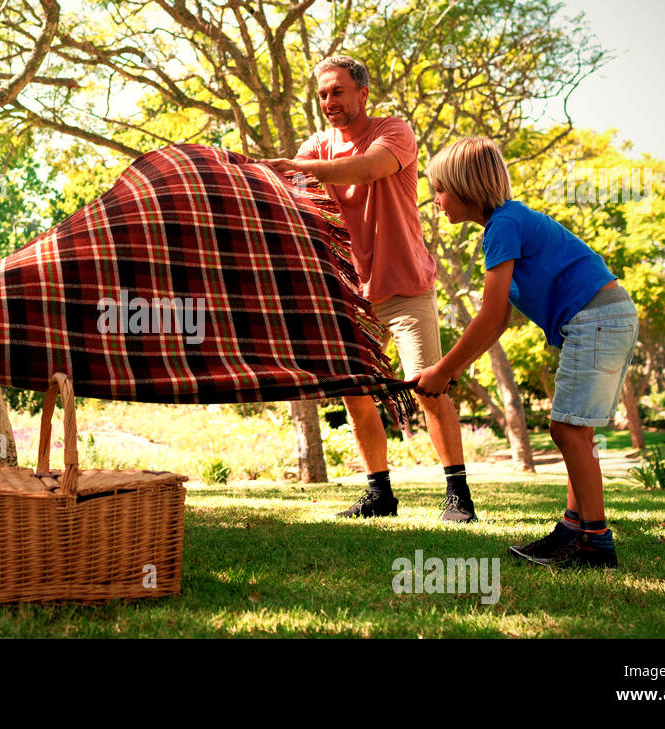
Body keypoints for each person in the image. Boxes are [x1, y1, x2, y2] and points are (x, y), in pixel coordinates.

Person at [264, 56, 476, 522]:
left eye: (337, 91)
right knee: (354, 390)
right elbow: (301, 205)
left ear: (362, 93)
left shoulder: (393, 131)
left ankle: (458, 496)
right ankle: (380, 494)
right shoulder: (314, 147)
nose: (328, 102)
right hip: (347, 293)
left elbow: (369, 168)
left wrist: (303, 168)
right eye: (322, 94)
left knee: (427, 386)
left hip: (403, 286)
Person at [414, 137, 638, 568]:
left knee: (568, 431)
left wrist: (443, 370)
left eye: (439, 189)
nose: (436, 201)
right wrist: (453, 369)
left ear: (465, 186)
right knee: (576, 431)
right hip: (605, 316)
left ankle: (595, 541)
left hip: (597, 318)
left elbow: (491, 312)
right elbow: (498, 323)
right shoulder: (509, 223)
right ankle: (575, 529)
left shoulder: (503, 225)